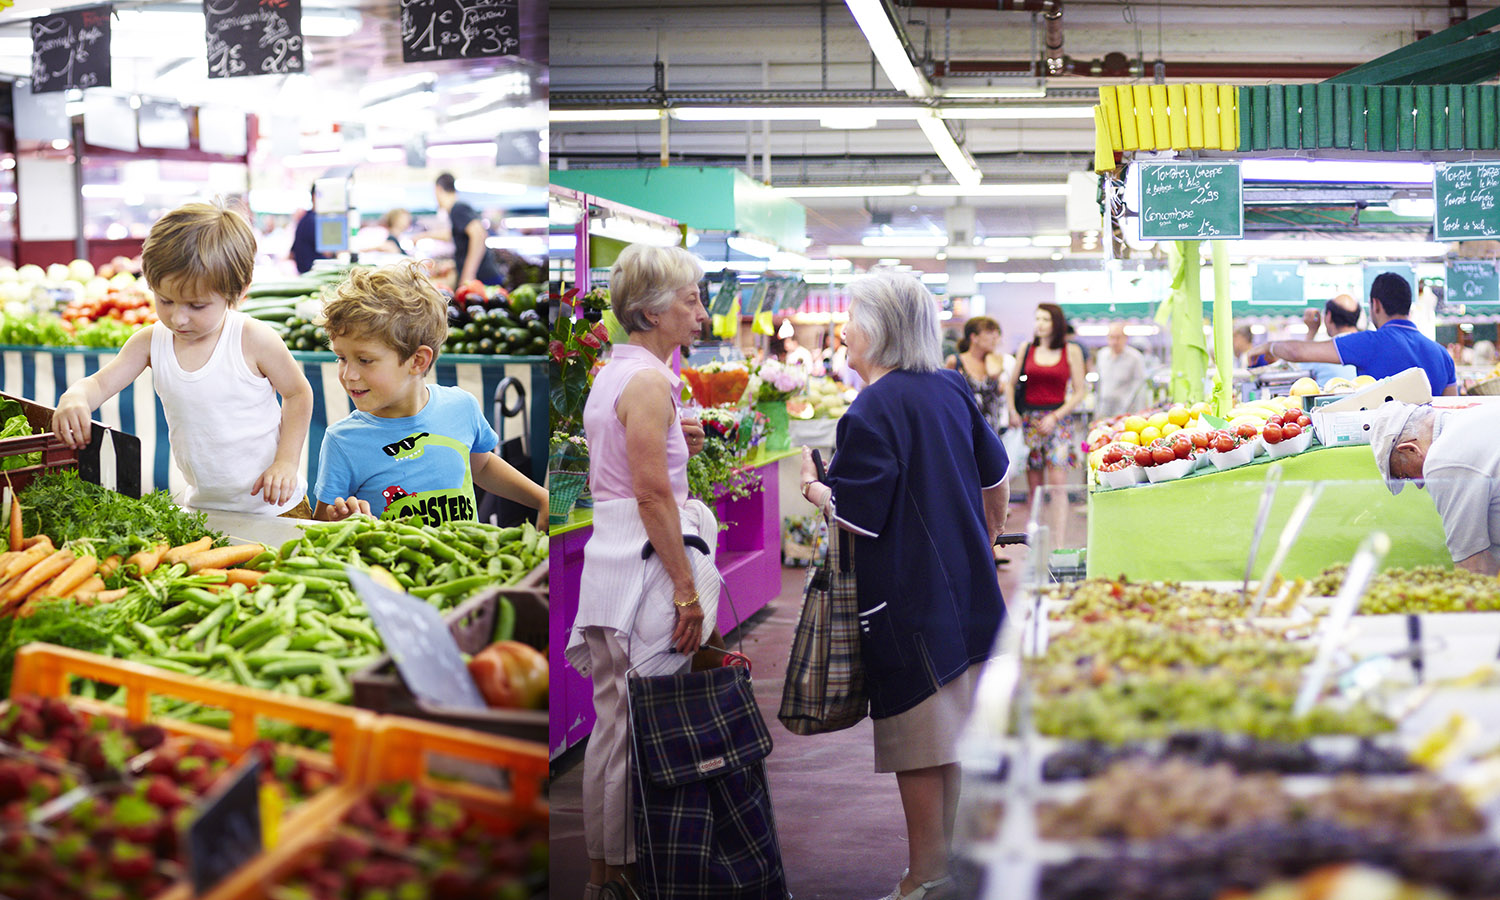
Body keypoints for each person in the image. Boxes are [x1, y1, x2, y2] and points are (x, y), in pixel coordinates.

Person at [799, 272, 1008, 900]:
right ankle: (951, 869)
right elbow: (996, 476)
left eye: (854, 319)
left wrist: (817, 491)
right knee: (955, 737)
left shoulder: (869, 411)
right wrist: (986, 539)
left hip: (908, 602)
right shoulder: (950, 388)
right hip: (970, 595)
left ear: (881, 330)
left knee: (917, 743)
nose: (845, 331)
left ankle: (923, 876)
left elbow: (859, 516)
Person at [563, 244, 719, 900]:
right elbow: (654, 495)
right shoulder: (652, 381)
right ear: (652, 311)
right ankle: (626, 872)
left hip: (607, 565)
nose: (701, 313)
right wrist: (687, 590)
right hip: (645, 569)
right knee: (643, 727)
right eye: (690, 299)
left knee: (614, 728)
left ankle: (607, 870)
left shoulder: (614, 373)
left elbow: (629, 471)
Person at [54, 202, 314, 516]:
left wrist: (286, 462)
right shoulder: (150, 342)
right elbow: (101, 382)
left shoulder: (252, 339)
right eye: (165, 301)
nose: (178, 318)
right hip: (205, 507)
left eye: (197, 305)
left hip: (277, 507)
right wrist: (76, 396)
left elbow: (298, 393)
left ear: (238, 292)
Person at [311, 261, 548, 525]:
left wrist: (541, 499)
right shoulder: (342, 441)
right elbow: (320, 522)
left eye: (364, 360)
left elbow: (481, 465)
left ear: (418, 361)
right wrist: (345, 519)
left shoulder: (461, 407)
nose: (348, 374)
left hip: (467, 563)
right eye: (341, 358)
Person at [1249, 273, 1457, 396]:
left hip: (1381, 451)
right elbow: (1452, 409)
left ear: (1375, 305)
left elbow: (1297, 352)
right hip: (1427, 455)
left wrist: (1269, 347)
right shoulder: (1442, 354)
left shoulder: (1369, 343)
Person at [1370, 401, 1500, 573]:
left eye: (1406, 476)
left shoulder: (1442, 462)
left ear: (1410, 449)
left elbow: (1471, 564)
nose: (1418, 485)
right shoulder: (1472, 416)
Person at [1008, 303, 1089, 499]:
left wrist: (1055, 417)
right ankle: (1033, 528)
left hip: (1058, 420)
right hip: (1031, 420)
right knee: (1033, 488)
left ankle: (1058, 530)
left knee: (1058, 485)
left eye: (1046, 319)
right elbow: (1011, 384)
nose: (1040, 324)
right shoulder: (1026, 349)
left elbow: (1080, 391)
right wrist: (1013, 411)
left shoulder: (1071, 351)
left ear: (1056, 323)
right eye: (1037, 319)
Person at [433, 172, 504, 288]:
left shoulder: (457, 208)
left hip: (483, 279)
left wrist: (468, 275)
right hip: (484, 278)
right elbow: (451, 235)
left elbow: (479, 235)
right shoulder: (457, 209)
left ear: (438, 189)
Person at [1301, 295, 1361, 386]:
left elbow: (1301, 369)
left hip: (1330, 399)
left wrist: (1312, 331)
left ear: (1328, 316)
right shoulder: (1370, 344)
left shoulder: (1323, 350)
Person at [1093, 322, 1148, 420]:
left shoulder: (1135, 358)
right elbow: (1100, 384)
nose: (1114, 341)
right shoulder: (1102, 355)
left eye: (1118, 337)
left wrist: (1139, 415)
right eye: (1111, 337)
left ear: (1125, 338)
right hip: (1104, 411)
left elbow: (1140, 387)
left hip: (1127, 413)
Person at [289, 185, 331, 275]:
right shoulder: (313, 221)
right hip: (312, 274)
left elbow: (292, 253)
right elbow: (328, 252)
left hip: (307, 274)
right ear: (314, 196)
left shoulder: (306, 219)